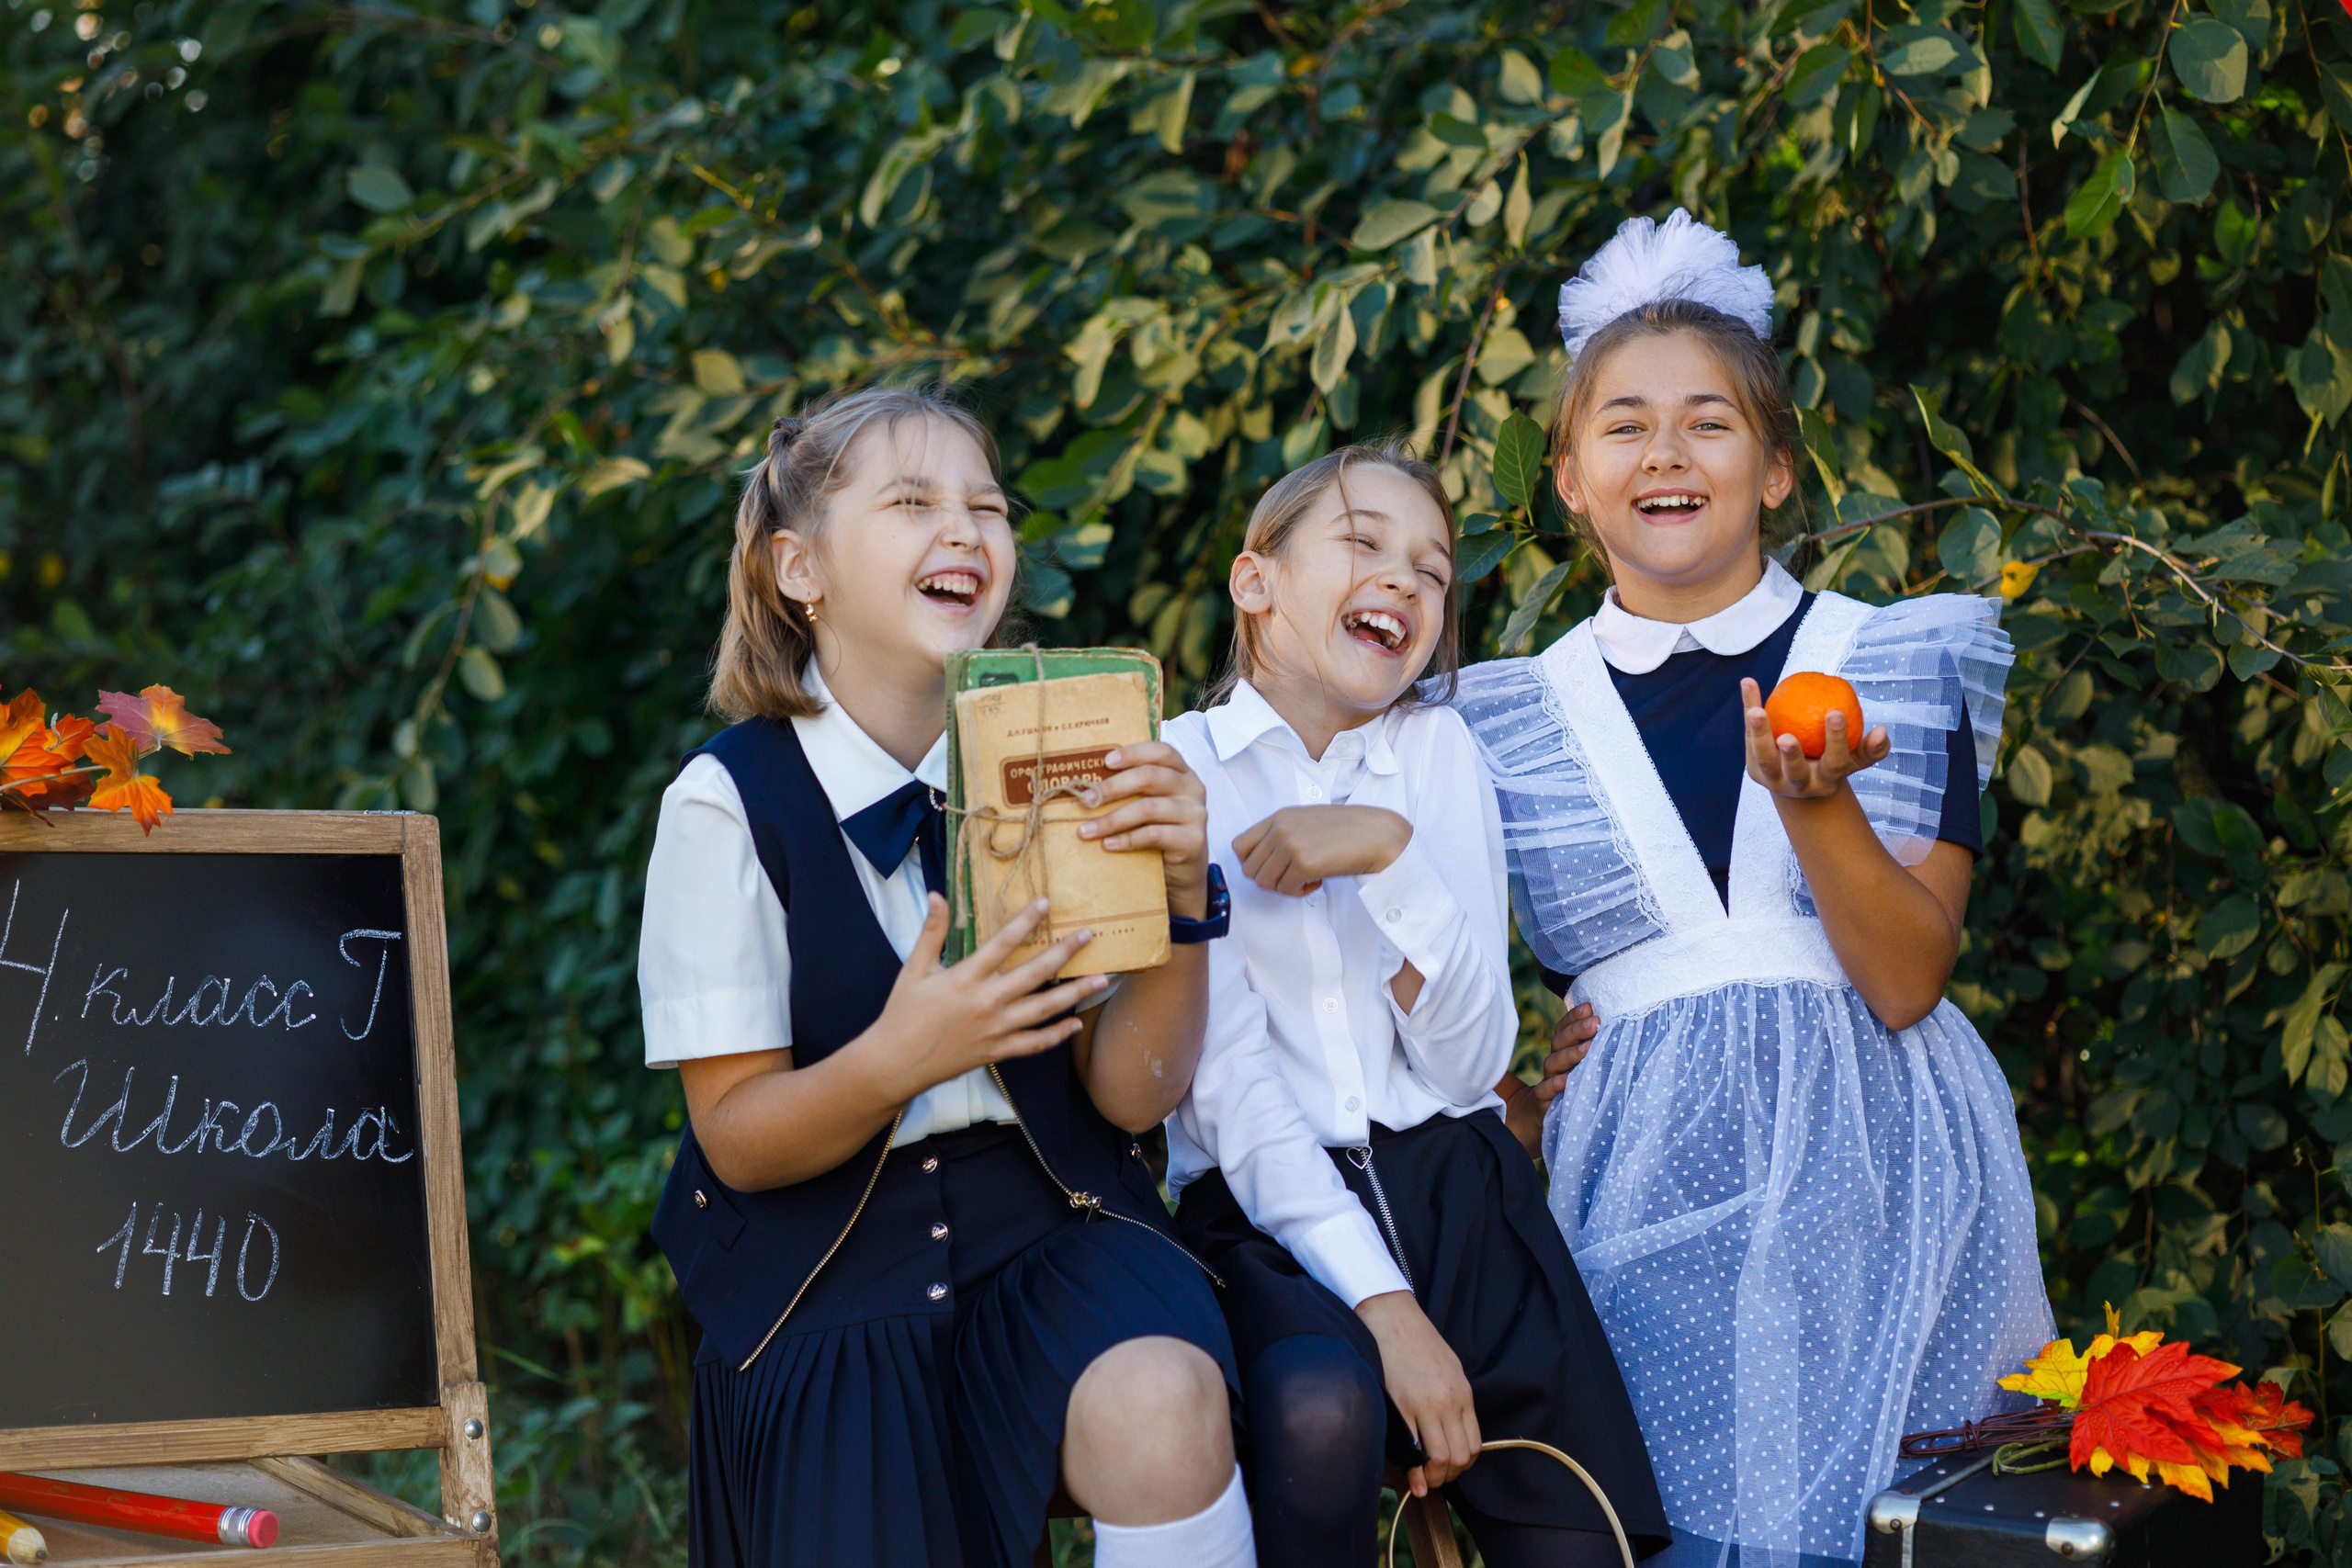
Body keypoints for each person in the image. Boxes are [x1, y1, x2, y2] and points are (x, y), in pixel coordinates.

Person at [1452, 211, 2054, 1567]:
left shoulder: (1891, 663)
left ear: (1777, 469)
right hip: (1638, 1198)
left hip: (1882, 1190)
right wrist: (1519, 1093)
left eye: (1709, 422)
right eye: (1624, 425)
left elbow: (1904, 980)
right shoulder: (1506, 721)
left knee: (1898, 1531)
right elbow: (1422, 967)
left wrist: (1815, 801)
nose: (1665, 452)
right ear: (1570, 479)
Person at [640, 387, 1253, 1568]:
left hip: (1056, 1227)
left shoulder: (1062, 752)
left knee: (1166, 1405)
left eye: (987, 505)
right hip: (827, 1269)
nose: (964, 530)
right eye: (913, 502)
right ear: (799, 568)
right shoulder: (725, 803)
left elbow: (1130, 1097)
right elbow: (738, 1140)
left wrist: (1183, 897)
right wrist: (902, 1059)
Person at [1163, 442, 1670, 1568]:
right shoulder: (1176, 771)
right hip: (1263, 1218)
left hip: (1466, 1197)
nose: (1403, 578)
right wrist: (1386, 1309)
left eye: (1433, 571)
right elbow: (1227, 1095)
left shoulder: (1437, 752)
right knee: (1318, 1413)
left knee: (1581, 1540)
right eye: (1362, 543)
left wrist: (1387, 855)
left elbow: (1467, 1061)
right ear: (1255, 582)